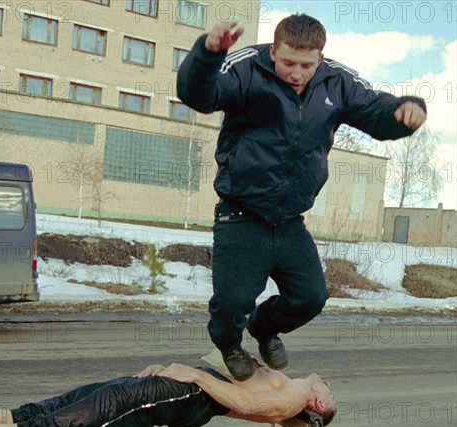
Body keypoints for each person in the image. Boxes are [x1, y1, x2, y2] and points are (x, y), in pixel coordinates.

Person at [177, 14, 427, 381]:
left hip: (291, 219)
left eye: (306, 65)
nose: (296, 73)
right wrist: (208, 53)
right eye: (288, 63)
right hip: (242, 213)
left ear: (320, 59)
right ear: (274, 50)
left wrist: (405, 112)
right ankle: (229, 344)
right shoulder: (245, 68)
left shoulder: (337, 81)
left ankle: (263, 329)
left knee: (311, 297)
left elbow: (376, 113)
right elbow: (199, 94)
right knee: (232, 302)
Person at [0, 360, 336, 427]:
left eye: (332, 396)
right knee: (106, 389)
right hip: (195, 386)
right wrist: (183, 372)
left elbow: (249, 403)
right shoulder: (293, 384)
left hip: (198, 396)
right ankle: (6, 417)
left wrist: (194, 377)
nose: (330, 387)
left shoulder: (297, 398)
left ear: (320, 404)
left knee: (116, 404)